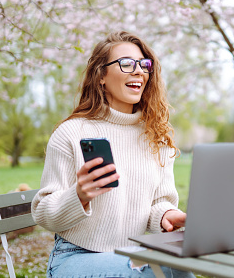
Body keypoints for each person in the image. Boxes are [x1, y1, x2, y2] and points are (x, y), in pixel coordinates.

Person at [32, 31, 195, 278]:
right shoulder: (71, 132)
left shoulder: (156, 136)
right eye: (126, 63)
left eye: (144, 65)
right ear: (101, 76)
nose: (138, 71)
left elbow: (158, 203)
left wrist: (170, 216)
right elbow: (43, 212)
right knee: (153, 274)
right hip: (75, 256)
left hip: (132, 255)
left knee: (179, 269)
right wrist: (79, 195)